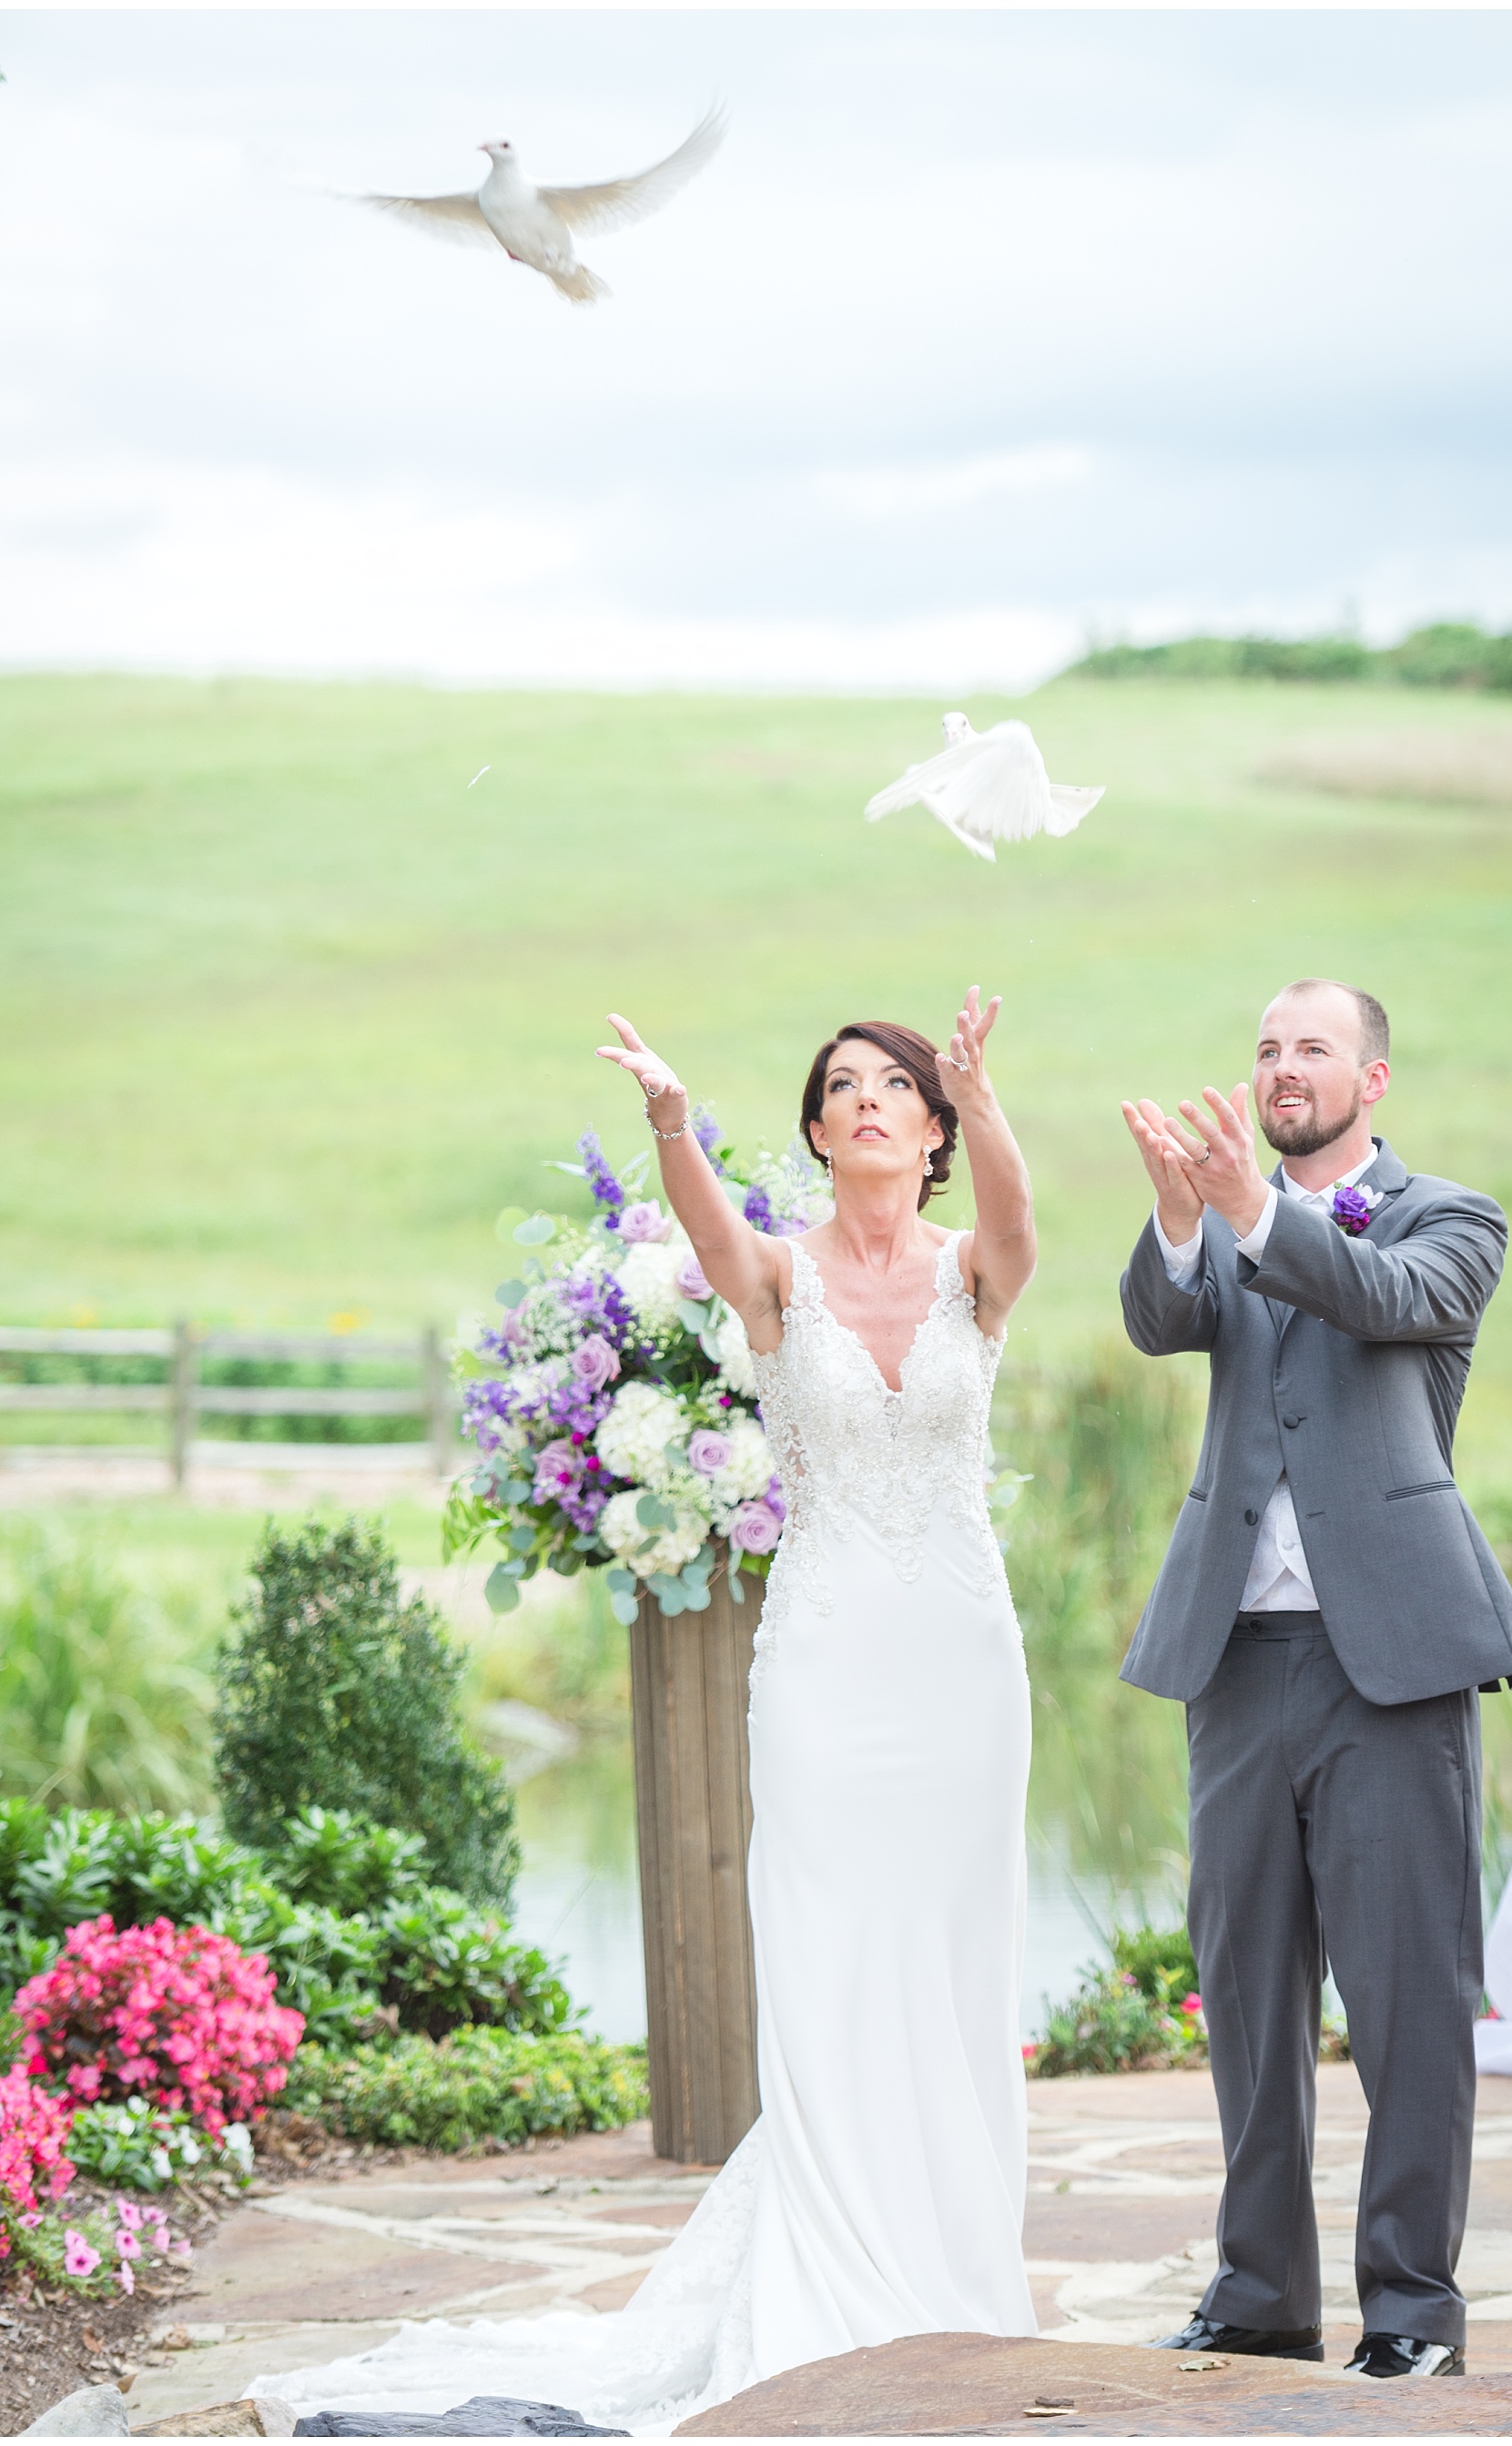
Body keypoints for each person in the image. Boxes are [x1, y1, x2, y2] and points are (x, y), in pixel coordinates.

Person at [255, 989, 1040, 2434]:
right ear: (814, 1130)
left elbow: (1019, 1230)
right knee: (829, 1949)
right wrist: (671, 1118)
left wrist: (986, 1093)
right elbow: (718, 1240)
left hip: (961, 1665)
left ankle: (959, 2272)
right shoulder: (779, 1283)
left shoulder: (968, 1278)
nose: (869, 1100)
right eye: (843, 1087)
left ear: (927, 1130)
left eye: (897, 1088)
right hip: (822, 1664)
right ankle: (836, 2274)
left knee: (950, 1950)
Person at [1118, 978, 1512, 2383]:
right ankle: (1260, 2295)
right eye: (1264, 1048)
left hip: (1392, 1664)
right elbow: (1163, 1322)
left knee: (1410, 1996)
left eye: (1311, 1049)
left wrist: (1249, 1212)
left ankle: (1413, 2311)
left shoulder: (1449, 1219)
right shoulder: (1232, 1223)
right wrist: (1183, 1214)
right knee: (1246, 1990)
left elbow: (1377, 1295)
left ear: (1374, 1081)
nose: (1281, 1067)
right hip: (1237, 1655)